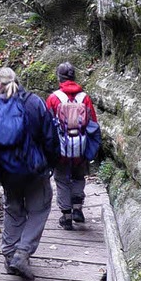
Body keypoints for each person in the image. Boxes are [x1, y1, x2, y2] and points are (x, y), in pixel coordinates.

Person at [0, 66, 58, 281]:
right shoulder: (34, 103)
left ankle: (9, 254)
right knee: (40, 208)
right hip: (34, 170)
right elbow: (50, 136)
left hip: (7, 171)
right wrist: (51, 162)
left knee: (13, 209)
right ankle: (22, 253)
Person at [46, 62, 98, 231]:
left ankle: (66, 216)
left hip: (61, 148)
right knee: (78, 177)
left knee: (61, 180)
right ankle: (77, 209)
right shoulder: (85, 98)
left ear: (59, 78)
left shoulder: (54, 98)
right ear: (74, 77)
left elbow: (47, 125)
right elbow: (93, 124)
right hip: (81, 148)